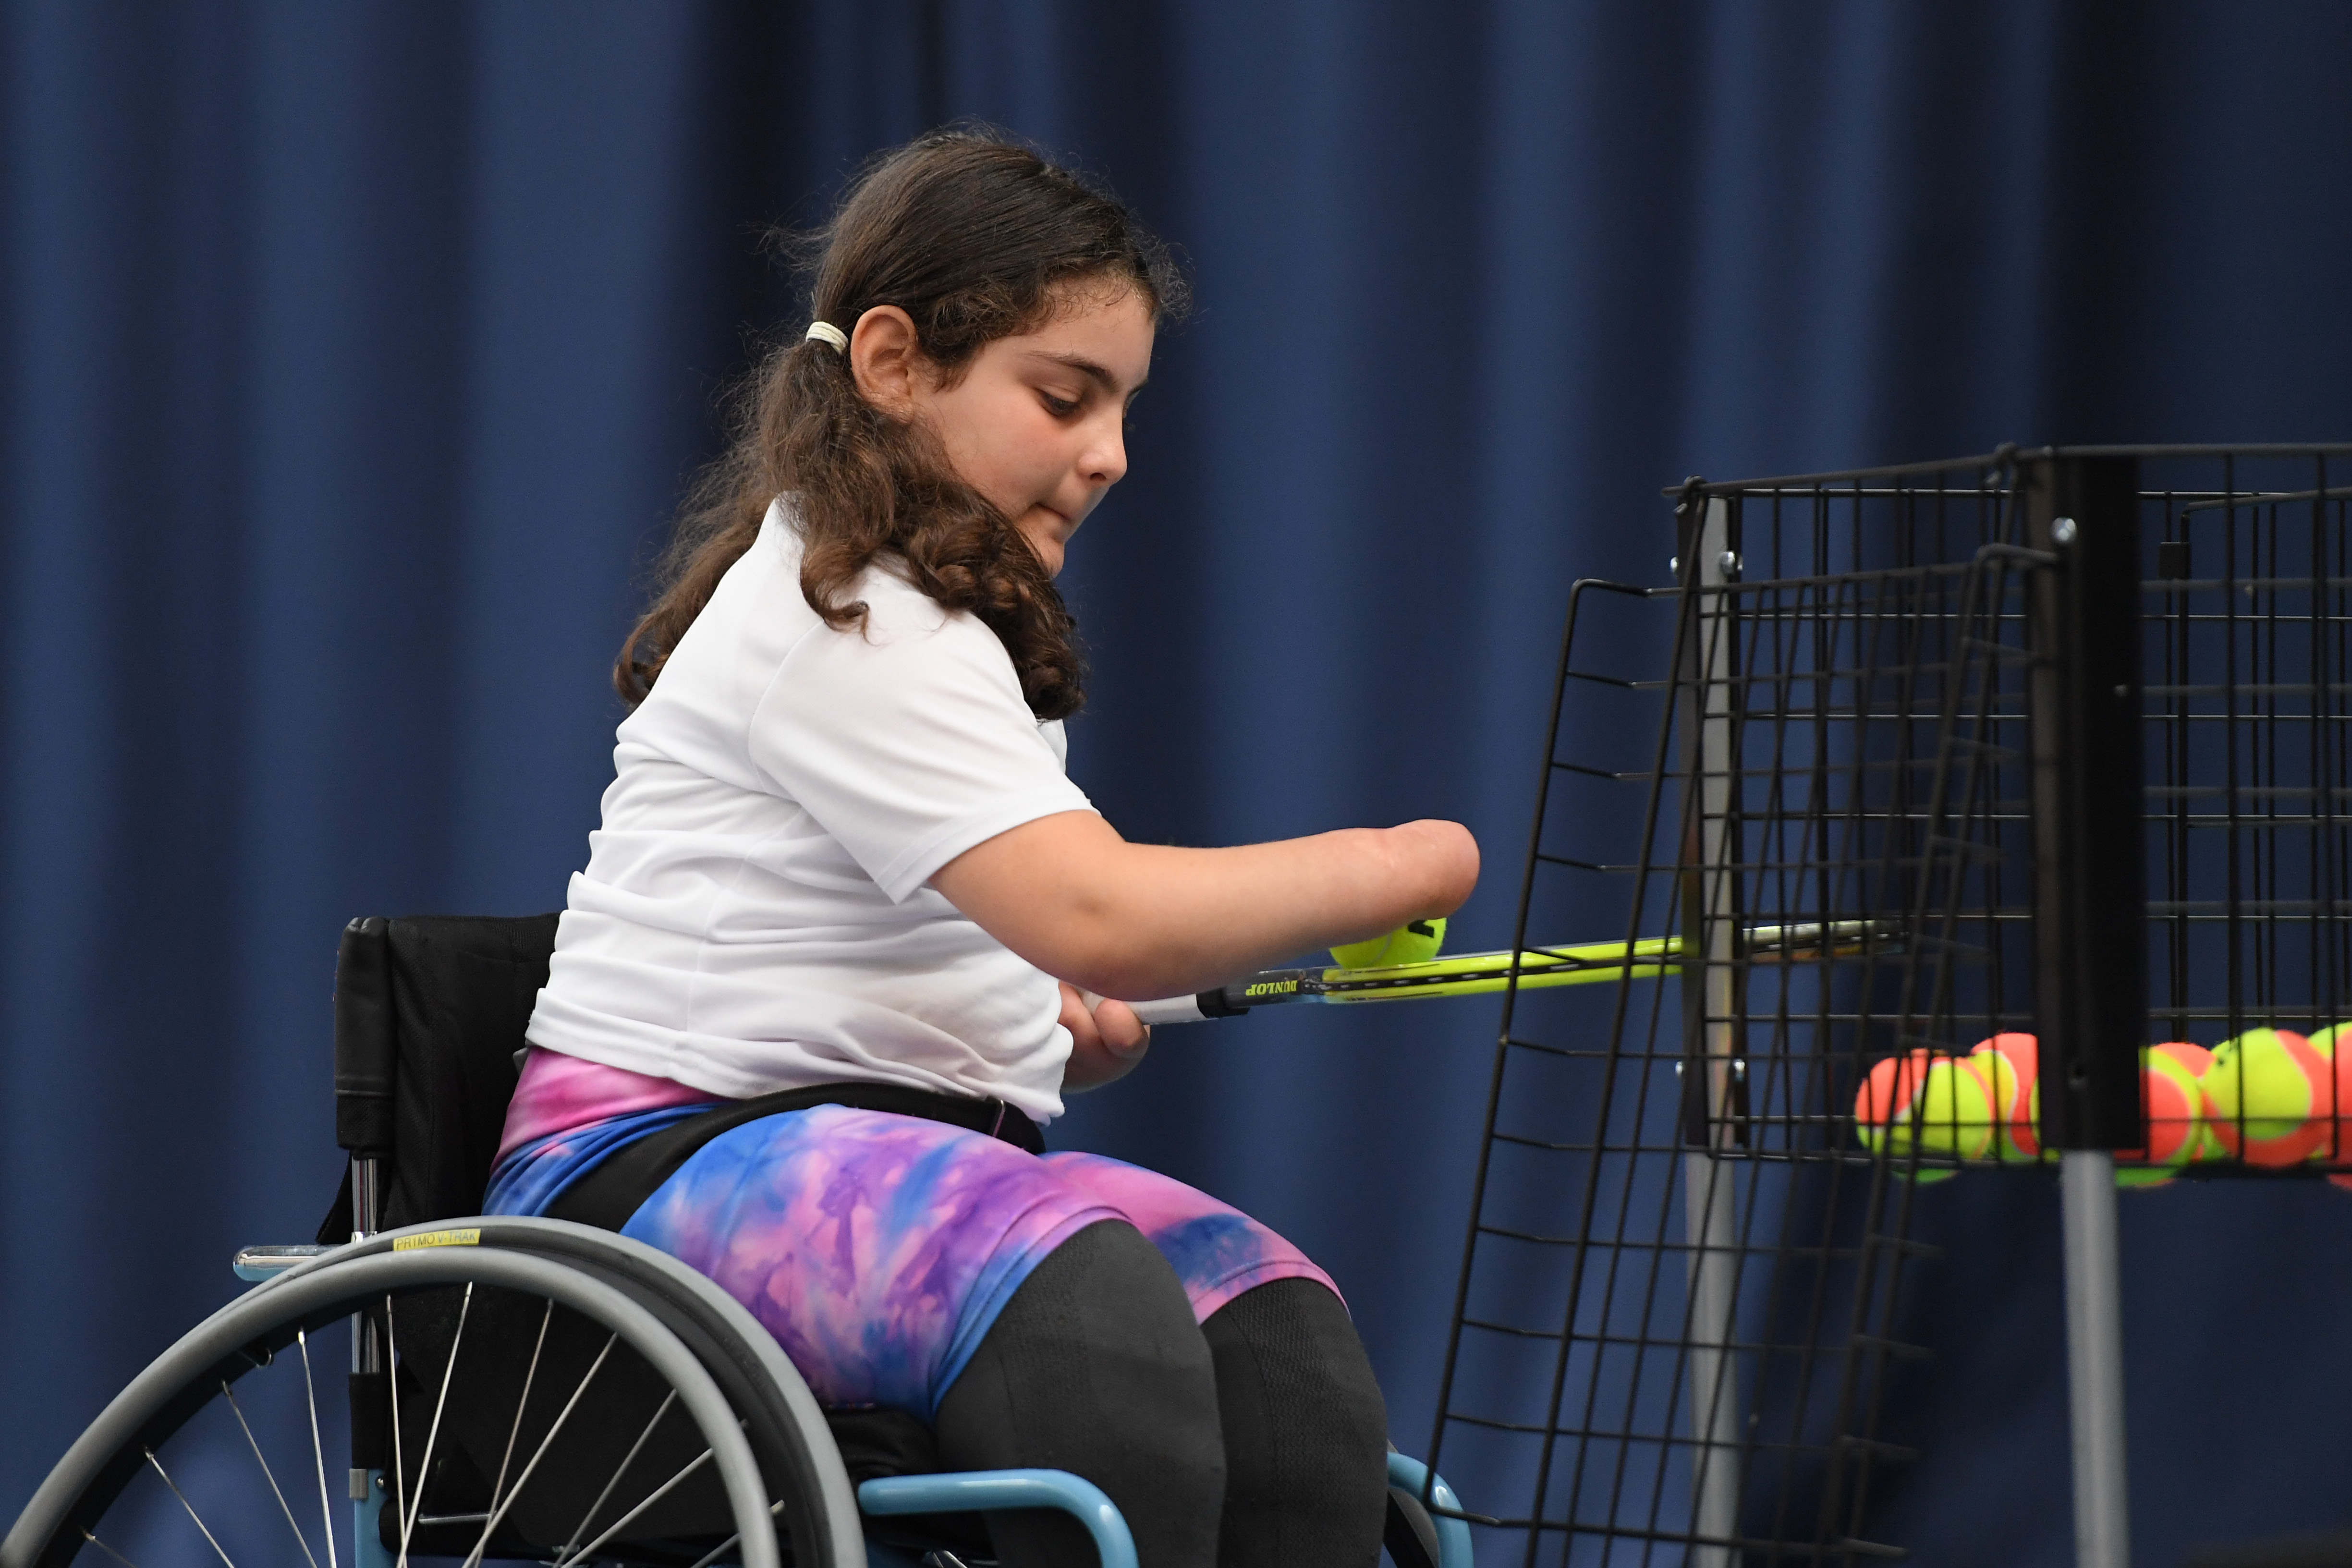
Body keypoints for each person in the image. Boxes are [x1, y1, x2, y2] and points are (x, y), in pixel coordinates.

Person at [484, 130, 1479, 1568]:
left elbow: (990, 941)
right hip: (641, 1177)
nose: (1110, 455)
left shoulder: (948, 623)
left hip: (891, 1150)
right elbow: (1096, 910)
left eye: (1124, 410)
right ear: (892, 364)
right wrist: (1398, 862)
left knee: (1279, 1338)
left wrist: (1025, 1025)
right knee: (1081, 1305)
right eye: (1065, 397)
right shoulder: (838, 609)